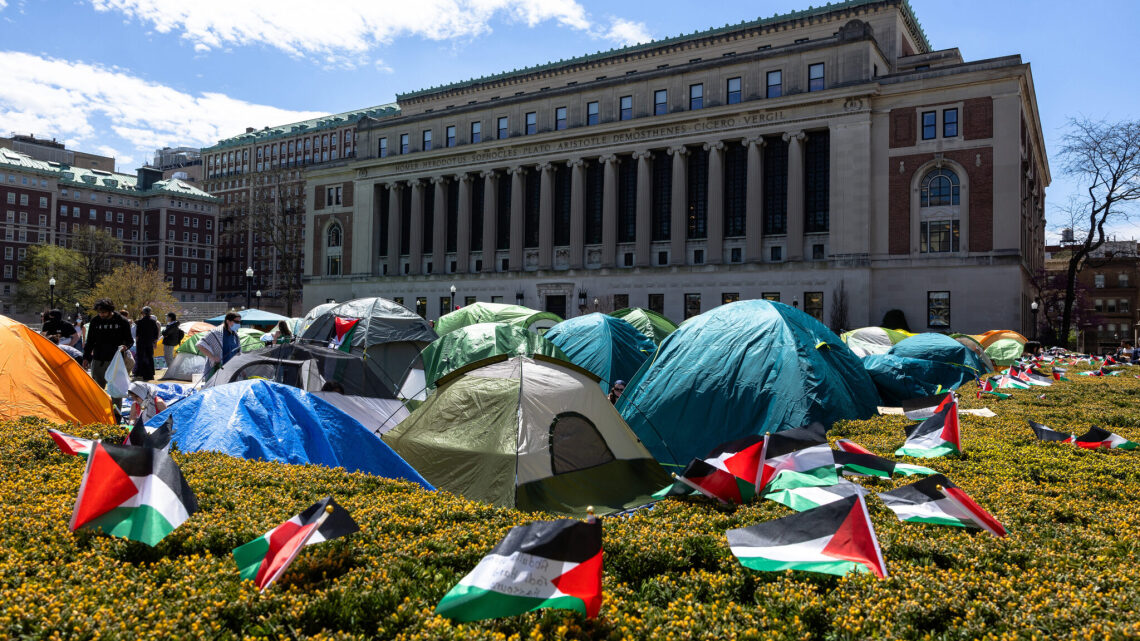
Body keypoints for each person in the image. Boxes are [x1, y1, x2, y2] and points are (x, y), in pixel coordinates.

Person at [82, 298, 134, 393]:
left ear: (110, 310)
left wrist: (125, 346)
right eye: (99, 312)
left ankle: (115, 408)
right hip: (98, 359)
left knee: (116, 390)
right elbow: (90, 341)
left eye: (104, 312)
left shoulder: (122, 321)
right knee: (97, 389)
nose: (101, 314)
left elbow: (130, 340)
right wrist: (86, 357)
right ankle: (98, 408)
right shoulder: (95, 321)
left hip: (116, 360)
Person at [197, 312, 242, 379]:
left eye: (240, 322)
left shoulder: (235, 335)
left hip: (232, 370)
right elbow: (200, 344)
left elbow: (238, 352)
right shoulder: (216, 333)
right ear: (228, 321)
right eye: (236, 321)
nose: (238, 324)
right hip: (219, 369)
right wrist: (212, 357)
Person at [133, 306, 161, 381]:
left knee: (141, 357)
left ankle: (140, 374)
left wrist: (137, 342)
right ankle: (150, 374)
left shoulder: (140, 322)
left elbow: (137, 334)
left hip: (141, 342)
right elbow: (156, 333)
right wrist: (154, 341)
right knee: (150, 357)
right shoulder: (153, 322)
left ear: (143, 313)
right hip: (149, 342)